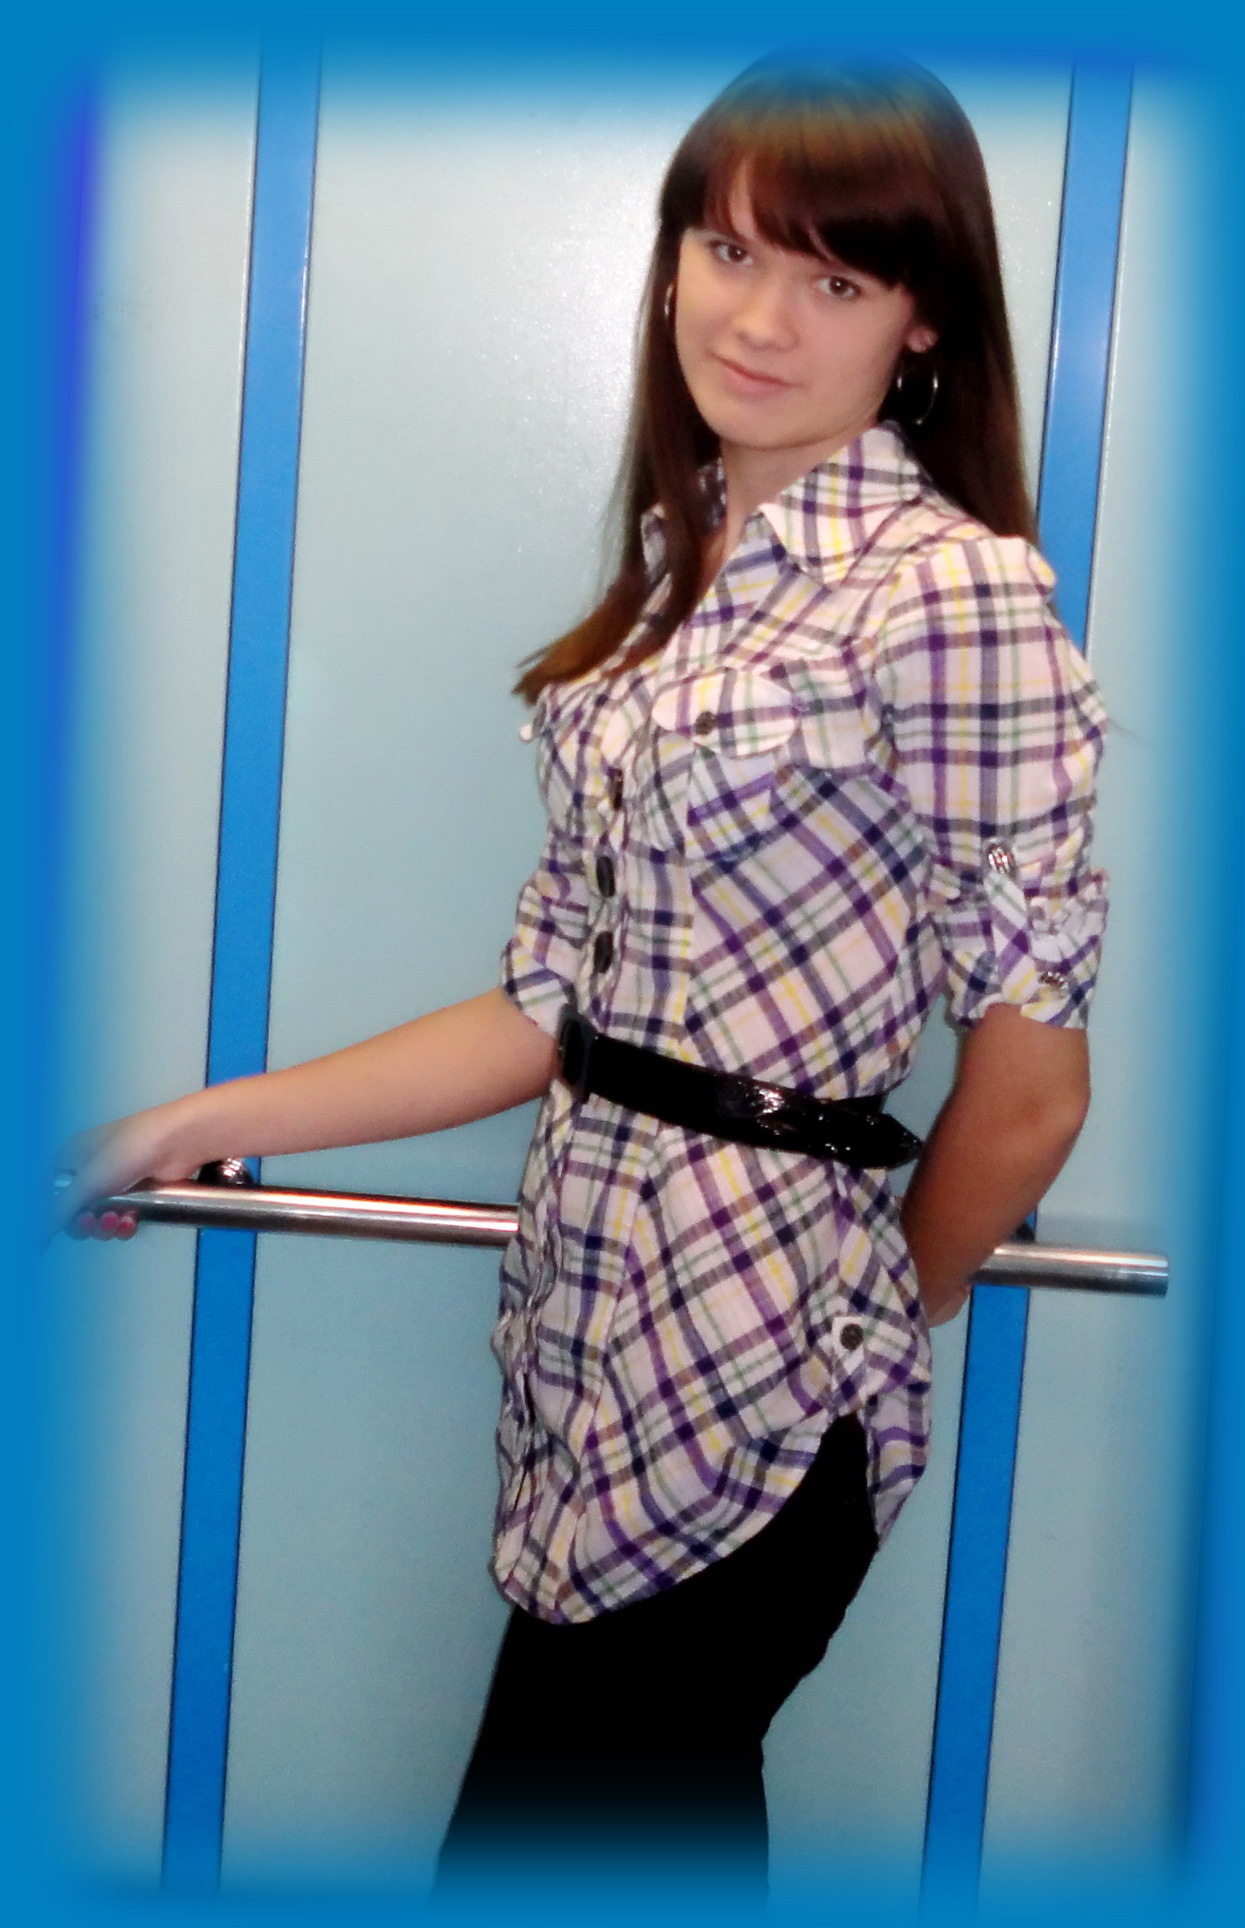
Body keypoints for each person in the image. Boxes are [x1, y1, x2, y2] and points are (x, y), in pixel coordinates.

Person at [56, 57, 1108, 1892]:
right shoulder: (678, 578)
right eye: (726, 251)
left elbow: (1029, 1096)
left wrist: (865, 1324)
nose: (756, 319)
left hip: (763, 1369)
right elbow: (550, 1010)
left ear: (923, 320)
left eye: (834, 280)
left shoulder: (950, 597)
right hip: (588, 1339)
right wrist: (194, 1121)